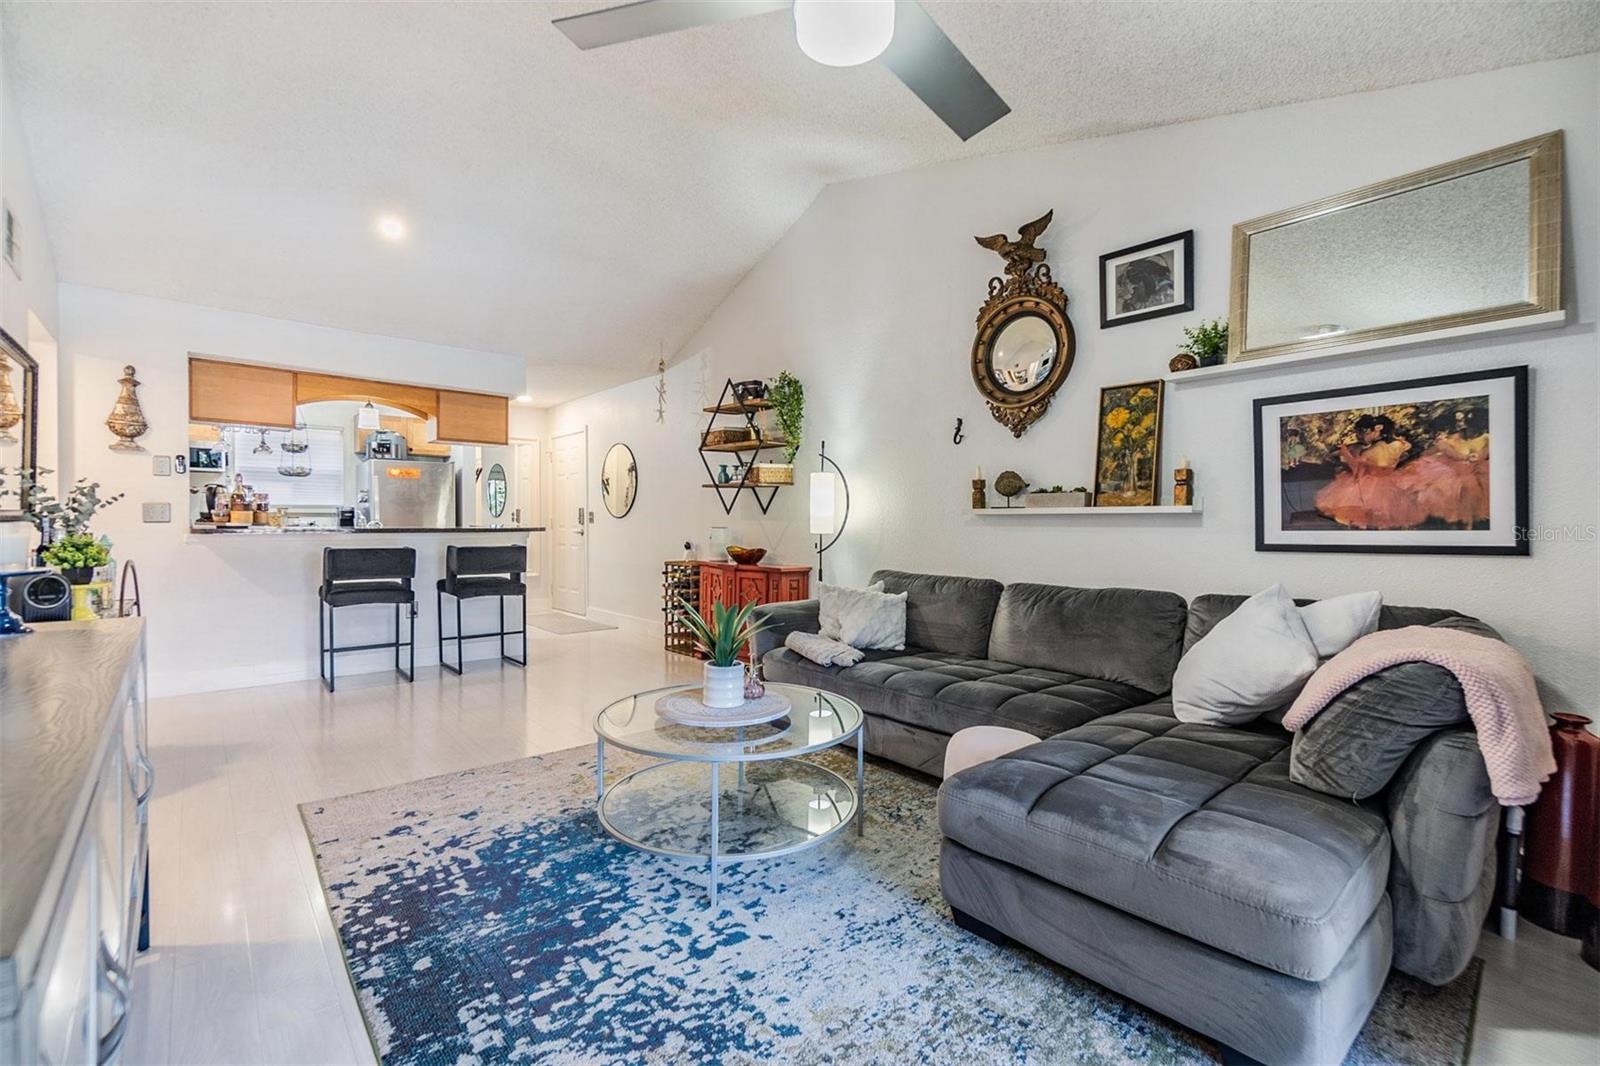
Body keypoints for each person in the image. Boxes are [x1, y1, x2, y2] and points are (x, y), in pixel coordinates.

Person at [1314, 414, 1422, 529]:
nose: (1359, 436)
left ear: (1374, 430)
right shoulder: (1399, 444)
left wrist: (1345, 452)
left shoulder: (1375, 449)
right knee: (1381, 519)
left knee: (1361, 515)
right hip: (1390, 482)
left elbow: (1357, 468)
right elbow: (1399, 458)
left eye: (1361, 432)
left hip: (1370, 485)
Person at [1401, 406, 1491, 528]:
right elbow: (1430, 452)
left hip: (1477, 475)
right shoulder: (1454, 438)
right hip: (1452, 475)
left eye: (1478, 427)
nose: (1474, 430)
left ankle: (1469, 532)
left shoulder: (1488, 438)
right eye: (1471, 426)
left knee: (1472, 502)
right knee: (1451, 507)